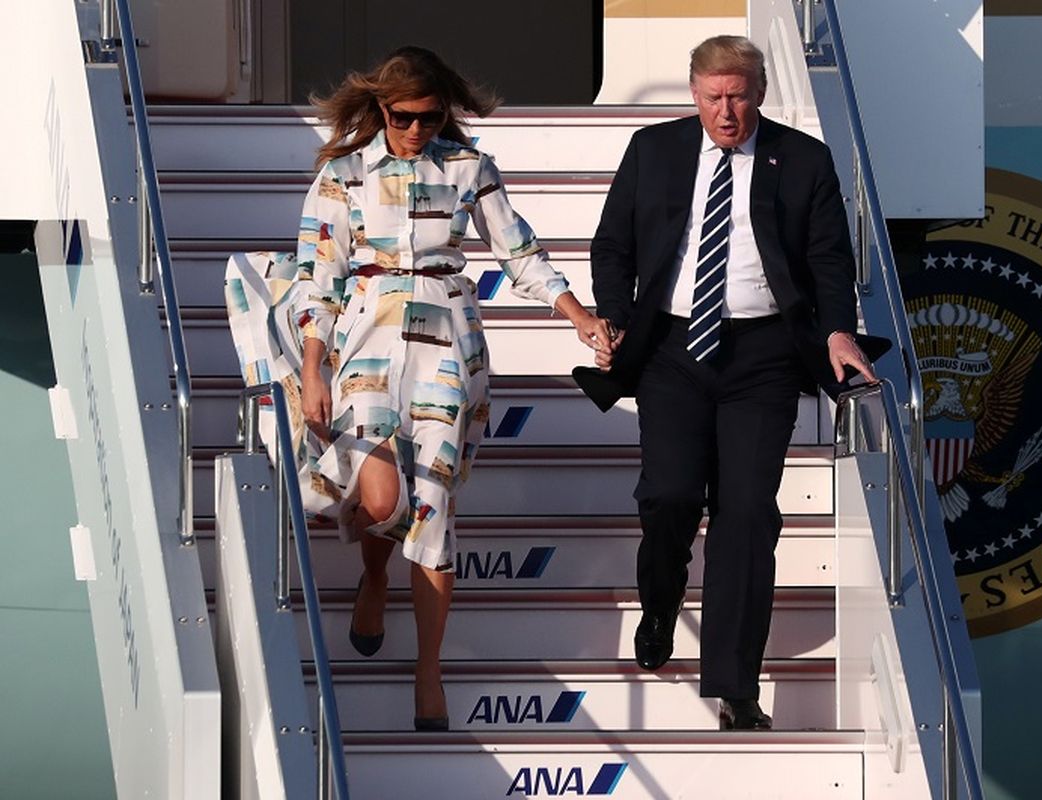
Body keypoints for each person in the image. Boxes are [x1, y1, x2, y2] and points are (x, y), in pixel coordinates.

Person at [230, 46, 610, 731]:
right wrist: (313, 369)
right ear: (381, 108)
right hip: (366, 336)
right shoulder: (342, 176)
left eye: (431, 117)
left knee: (432, 501)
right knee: (381, 498)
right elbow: (320, 276)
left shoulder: (469, 170)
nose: (416, 129)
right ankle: (375, 578)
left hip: (448, 340)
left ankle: (427, 668)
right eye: (404, 116)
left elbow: (518, 252)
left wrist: (576, 314)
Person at [582, 35, 884, 731]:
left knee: (747, 514)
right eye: (714, 97)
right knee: (670, 495)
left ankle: (734, 686)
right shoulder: (653, 150)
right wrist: (616, 317)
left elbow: (829, 259)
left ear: (760, 92)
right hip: (670, 347)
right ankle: (660, 601)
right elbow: (613, 244)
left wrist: (839, 330)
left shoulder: (802, 159)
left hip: (764, 354)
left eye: (739, 95)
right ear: (693, 92)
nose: (727, 111)